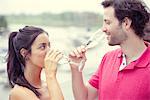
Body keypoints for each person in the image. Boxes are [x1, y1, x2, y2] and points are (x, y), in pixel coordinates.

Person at [69, 0, 150, 100]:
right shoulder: (108, 58)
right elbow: (85, 98)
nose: (103, 29)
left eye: (108, 22)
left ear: (126, 23)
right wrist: (75, 69)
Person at [7, 26, 64, 100]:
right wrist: (50, 75)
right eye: (42, 47)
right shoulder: (18, 93)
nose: (49, 51)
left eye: (49, 46)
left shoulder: (47, 85)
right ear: (25, 53)